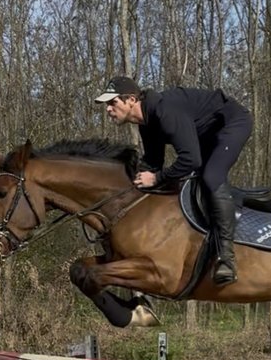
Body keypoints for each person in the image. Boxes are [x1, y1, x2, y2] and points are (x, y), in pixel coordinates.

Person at [94, 75, 253, 286]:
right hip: (207, 132)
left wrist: (157, 178)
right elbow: (153, 162)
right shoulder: (147, 123)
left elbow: (190, 160)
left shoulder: (165, 112)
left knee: (211, 175)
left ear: (131, 100)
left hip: (232, 122)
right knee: (192, 180)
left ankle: (226, 258)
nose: (108, 109)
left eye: (112, 102)